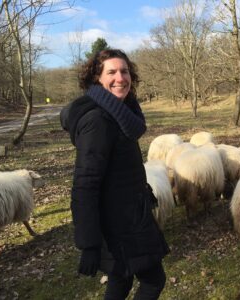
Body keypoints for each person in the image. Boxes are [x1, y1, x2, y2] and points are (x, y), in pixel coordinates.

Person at [60, 49, 169, 300]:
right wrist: (88, 244)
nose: (120, 78)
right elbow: (85, 185)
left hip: (132, 215)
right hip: (119, 225)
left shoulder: (122, 114)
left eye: (125, 71)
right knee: (153, 281)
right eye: (111, 72)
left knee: (121, 278)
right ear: (97, 78)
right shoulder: (98, 121)